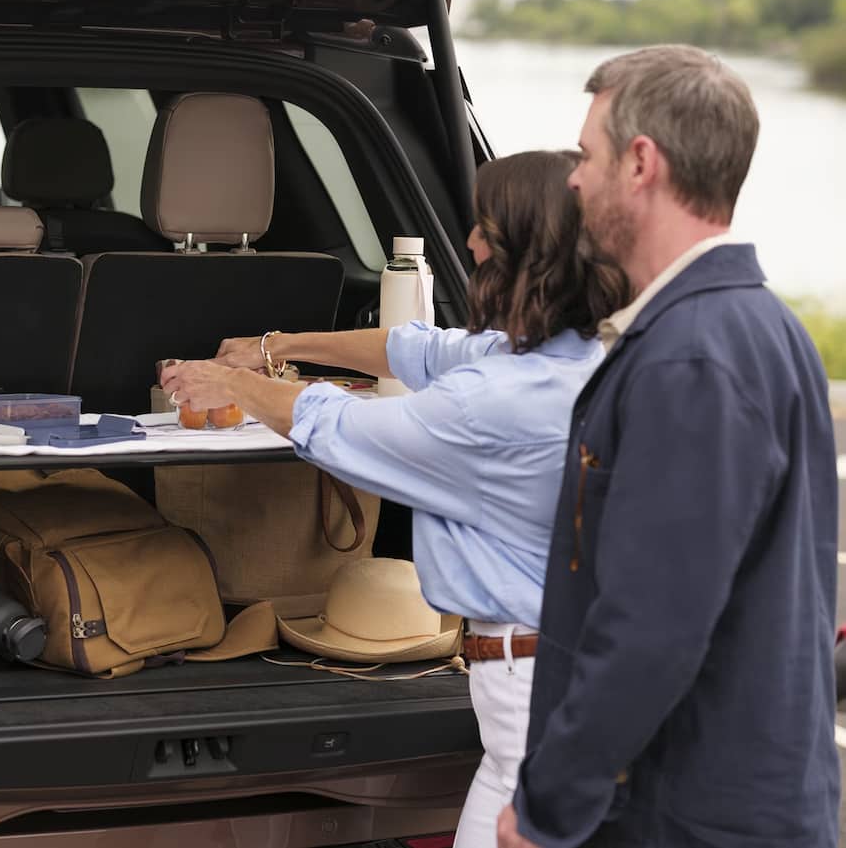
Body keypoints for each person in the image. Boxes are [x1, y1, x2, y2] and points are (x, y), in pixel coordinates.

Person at [162, 150, 629, 848]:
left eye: (487, 231)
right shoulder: (563, 358)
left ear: (530, 253)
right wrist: (277, 345)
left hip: (530, 693)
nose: (469, 244)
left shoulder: (493, 401)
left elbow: (347, 426)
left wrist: (234, 388)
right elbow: (416, 348)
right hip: (555, 679)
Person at [496, 45, 839, 848]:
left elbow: (650, 628)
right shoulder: (762, 327)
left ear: (641, 162)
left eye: (588, 154)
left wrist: (547, 804)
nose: (575, 178)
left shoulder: (691, 356)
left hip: (687, 820)